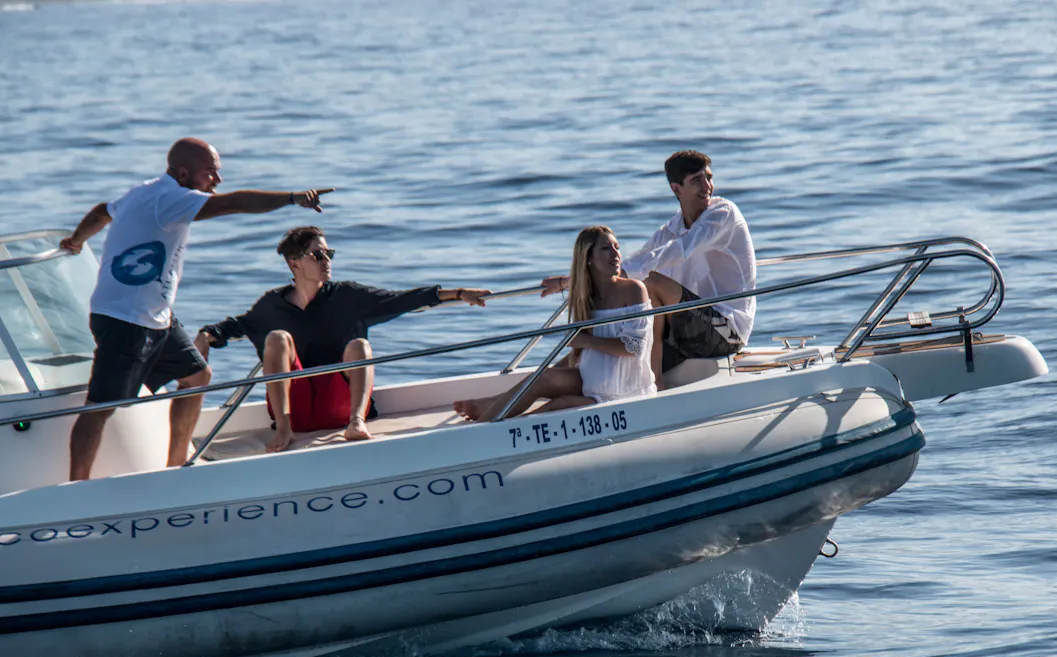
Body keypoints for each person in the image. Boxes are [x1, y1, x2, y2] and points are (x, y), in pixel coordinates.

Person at [58, 136, 332, 481]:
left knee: (197, 376)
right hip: (125, 318)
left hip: (155, 315)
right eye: (210, 172)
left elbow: (102, 211)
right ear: (184, 173)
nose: (217, 180)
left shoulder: (143, 191)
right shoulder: (172, 199)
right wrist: (292, 198)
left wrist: (76, 241)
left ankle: (176, 467)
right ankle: (77, 486)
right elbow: (234, 203)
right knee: (100, 408)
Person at [198, 226, 491, 452]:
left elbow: (401, 299)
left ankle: (357, 423)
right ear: (294, 264)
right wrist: (206, 336)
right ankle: (283, 429)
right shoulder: (272, 305)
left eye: (329, 254)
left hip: (339, 403)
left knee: (359, 346)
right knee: (276, 338)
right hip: (295, 408)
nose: (327, 261)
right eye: (318, 255)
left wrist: (457, 293)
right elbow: (237, 325)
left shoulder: (347, 296)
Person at [542, 150, 755, 387]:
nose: (707, 186)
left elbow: (680, 250)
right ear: (676, 188)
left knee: (648, 283)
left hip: (726, 331)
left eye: (709, 178)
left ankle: (654, 384)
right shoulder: (671, 228)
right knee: (583, 360)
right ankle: (533, 386)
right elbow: (634, 261)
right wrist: (567, 282)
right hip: (682, 331)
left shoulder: (723, 213)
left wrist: (623, 276)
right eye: (697, 180)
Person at [454, 226, 655, 422]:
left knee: (556, 406)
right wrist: (581, 343)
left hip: (624, 388)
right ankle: (484, 423)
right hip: (593, 378)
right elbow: (582, 347)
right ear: (588, 258)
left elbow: (635, 347)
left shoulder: (634, 290)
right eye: (605, 248)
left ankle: (488, 429)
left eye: (617, 247)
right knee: (540, 378)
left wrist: (586, 341)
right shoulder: (585, 296)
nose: (616, 254)